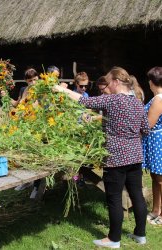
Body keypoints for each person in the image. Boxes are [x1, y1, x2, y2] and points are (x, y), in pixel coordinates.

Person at [53, 66, 149, 248]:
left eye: (109, 82)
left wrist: (62, 90)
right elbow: (145, 129)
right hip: (135, 156)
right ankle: (140, 235)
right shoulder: (137, 102)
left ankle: (113, 239)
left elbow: (84, 102)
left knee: (114, 198)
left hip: (116, 158)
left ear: (116, 82)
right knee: (137, 195)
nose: (108, 86)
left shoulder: (112, 100)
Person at [142, 66, 162, 226]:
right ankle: (156, 210)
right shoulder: (156, 97)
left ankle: (161, 214)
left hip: (157, 142)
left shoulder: (159, 99)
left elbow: (148, 124)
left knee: (160, 179)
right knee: (156, 178)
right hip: (154, 141)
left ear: (152, 81)